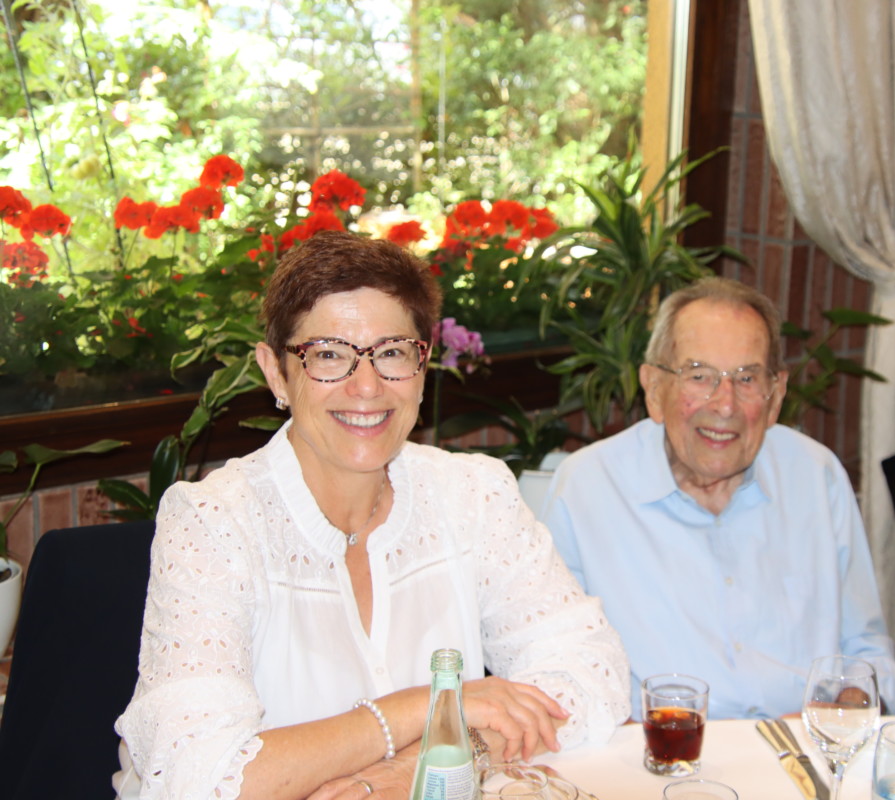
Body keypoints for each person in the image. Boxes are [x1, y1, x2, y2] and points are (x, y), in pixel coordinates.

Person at [114, 230, 629, 800]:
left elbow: (591, 671)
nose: (367, 386)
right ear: (276, 372)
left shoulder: (473, 494)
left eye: (392, 353)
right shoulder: (211, 523)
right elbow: (196, 778)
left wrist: (418, 766)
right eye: (328, 355)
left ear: (423, 366)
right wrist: (425, 709)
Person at [539, 276, 895, 720]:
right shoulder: (588, 489)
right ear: (654, 389)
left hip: (803, 746)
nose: (724, 404)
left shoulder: (817, 477)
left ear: (775, 397)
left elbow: (865, 653)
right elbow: (554, 669)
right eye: (699, 376)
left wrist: (843, 711)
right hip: (659, 750)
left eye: (746, 378)